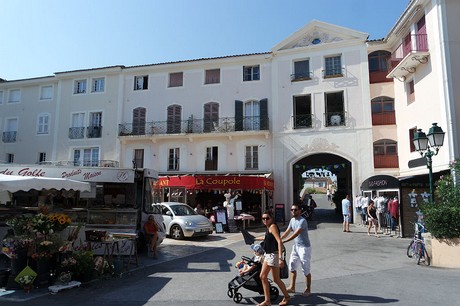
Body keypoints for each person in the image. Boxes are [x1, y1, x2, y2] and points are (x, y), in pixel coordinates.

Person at [255, 210, 291, 306]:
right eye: (263, 218)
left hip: (273, 255)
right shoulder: (268, 228)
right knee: (275, 279)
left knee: (263, 276)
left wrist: (280, 258)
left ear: (272, 218)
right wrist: (254, 238)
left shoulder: (273, 226)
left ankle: (269, 301)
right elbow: (266, 238)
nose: (265, 220)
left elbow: (279, 241)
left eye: (267, 218)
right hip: (268, 255)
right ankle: (271, 300)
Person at [280, 203, 312, 297]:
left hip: (304, 248)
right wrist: (280, 239)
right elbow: (287, 231)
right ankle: (292, 287)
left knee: (305, 269)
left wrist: (285, 241)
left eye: (295, 209)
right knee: (292, 266)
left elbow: (296, 233)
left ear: (299, 211)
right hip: (296, 246)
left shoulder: (302, 221)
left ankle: (308, 289)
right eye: (292, 210)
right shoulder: (292, 220)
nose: (293, 211)